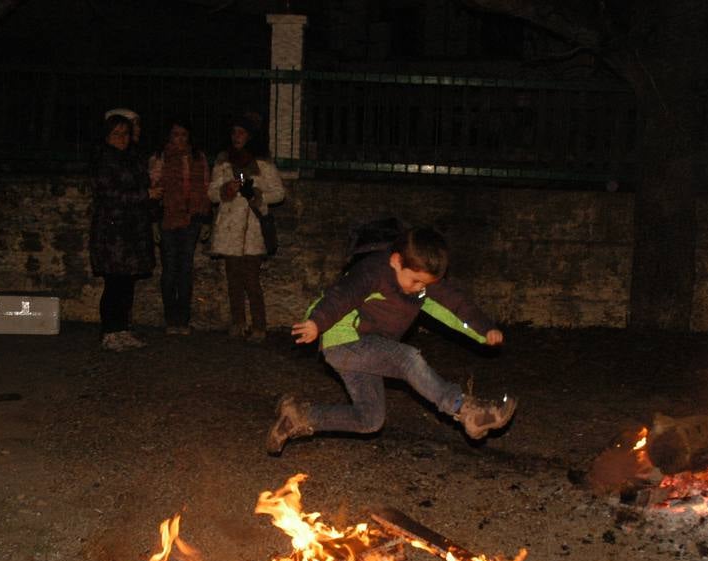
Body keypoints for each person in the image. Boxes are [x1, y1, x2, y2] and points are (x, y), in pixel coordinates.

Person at [265, 225, 517, 454]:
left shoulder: (420, 285)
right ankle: (465, 409)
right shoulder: (374, 271)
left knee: (370, 419)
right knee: (407, 358)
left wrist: (483, 330)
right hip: (343, 340)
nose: (420, 288)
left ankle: (298, 417)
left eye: (425, 284)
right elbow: (342, 295)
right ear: (396, 261)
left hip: (368, 350)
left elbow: (455, 307)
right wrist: (316, 323)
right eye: (416, 280)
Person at [209, 112, 284, 342]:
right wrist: (225, 191)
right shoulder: (223, 161)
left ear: (251, 136)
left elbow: (279, 193)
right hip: (230, 229)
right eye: (233, 132)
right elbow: (211, 193)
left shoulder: (262, 163)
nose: (236, 136)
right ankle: (238, 322)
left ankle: (259, 325)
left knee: (251, 280)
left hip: (252, 229)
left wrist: (258, 195)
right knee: (233, 280)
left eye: (241, 132)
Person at [90, 111, 160, 351]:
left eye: (125, 134)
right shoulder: (104, 161)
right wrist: (145, 195)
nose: (121, 138)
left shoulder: (132, 159)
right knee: (114, 283)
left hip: (132, 230)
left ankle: (122, 328)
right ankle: (109, 330)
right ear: (107, 136)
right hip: (112, 232)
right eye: (116, 134)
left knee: (127, 282)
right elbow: (110, 195)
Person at [149, 118, 211, 335]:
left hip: (191, 218)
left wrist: (205, 219)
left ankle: (182, 319)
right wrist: (154, 221)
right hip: (168, 218)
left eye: (184, 135)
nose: (180, 139)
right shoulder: (161, 158)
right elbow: (154, 190)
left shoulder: (198, 157)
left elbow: (204, 188)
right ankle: (170, 318)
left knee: (185, 269)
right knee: (169, 270)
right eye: (176, 135)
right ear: (169, 136)